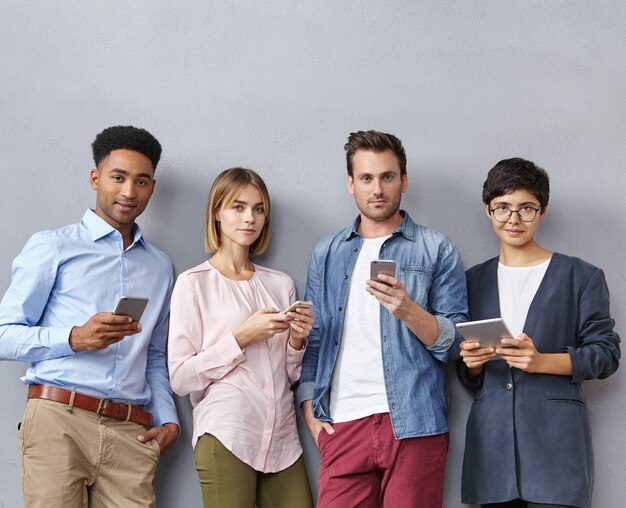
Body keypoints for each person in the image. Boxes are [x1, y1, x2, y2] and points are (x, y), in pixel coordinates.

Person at [0, 125, 180, 507]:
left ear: (152, 186)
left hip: (131, 433)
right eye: (118, 177)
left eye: (142, 181)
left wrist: (168, 419)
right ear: (96, 178)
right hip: (58, 420)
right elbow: (3, 335)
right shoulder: (53, 246)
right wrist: (73, 338)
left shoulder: (161, 267)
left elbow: (153, 354)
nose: (129, 191)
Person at [296, 130, 469, 508]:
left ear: (403, 181)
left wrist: (407, 308)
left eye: (387, 177)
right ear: (350, 183)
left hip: (415, 422)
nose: (377, 189)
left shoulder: (436, 249)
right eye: (366, 178)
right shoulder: (326, 252)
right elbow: (317, 338)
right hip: (341, 422)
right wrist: (309, 405)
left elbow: (457, 344)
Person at [457, 158, 620, 508]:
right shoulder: (471, 281)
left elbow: (606, 354)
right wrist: (472, 364)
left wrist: (543, 360)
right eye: (503, 208)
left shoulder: (582, 276)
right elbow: (469, 377)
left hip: (557, 453)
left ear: (542, 212)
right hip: (492, 453)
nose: (513, 219)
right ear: (488, 211)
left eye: (526, 208)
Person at [167, 167, 314, 508]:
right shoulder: (194, 283)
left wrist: (296, 341)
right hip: (227, 432)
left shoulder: (281, 284)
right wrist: (241, 337)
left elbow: (291, 374)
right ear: (217, 212)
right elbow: (181, 377)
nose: (250, 217)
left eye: (259, 209)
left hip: (282, 439)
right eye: (238, 207)